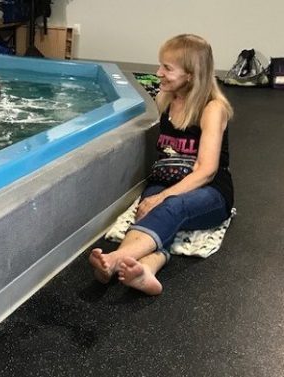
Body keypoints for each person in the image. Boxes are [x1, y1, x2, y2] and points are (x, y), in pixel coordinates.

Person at [89, 34, 234, 295]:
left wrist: (163, 196)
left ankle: (113, 260)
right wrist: (157, 196)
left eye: (167, 68)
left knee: (170, 206)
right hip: (167, 178)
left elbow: (206, 170)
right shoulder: (167, 99)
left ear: (191, 74)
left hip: (211, 190)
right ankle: (147, 269)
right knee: (145, 212)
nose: (158, 73)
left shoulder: (213, 108)